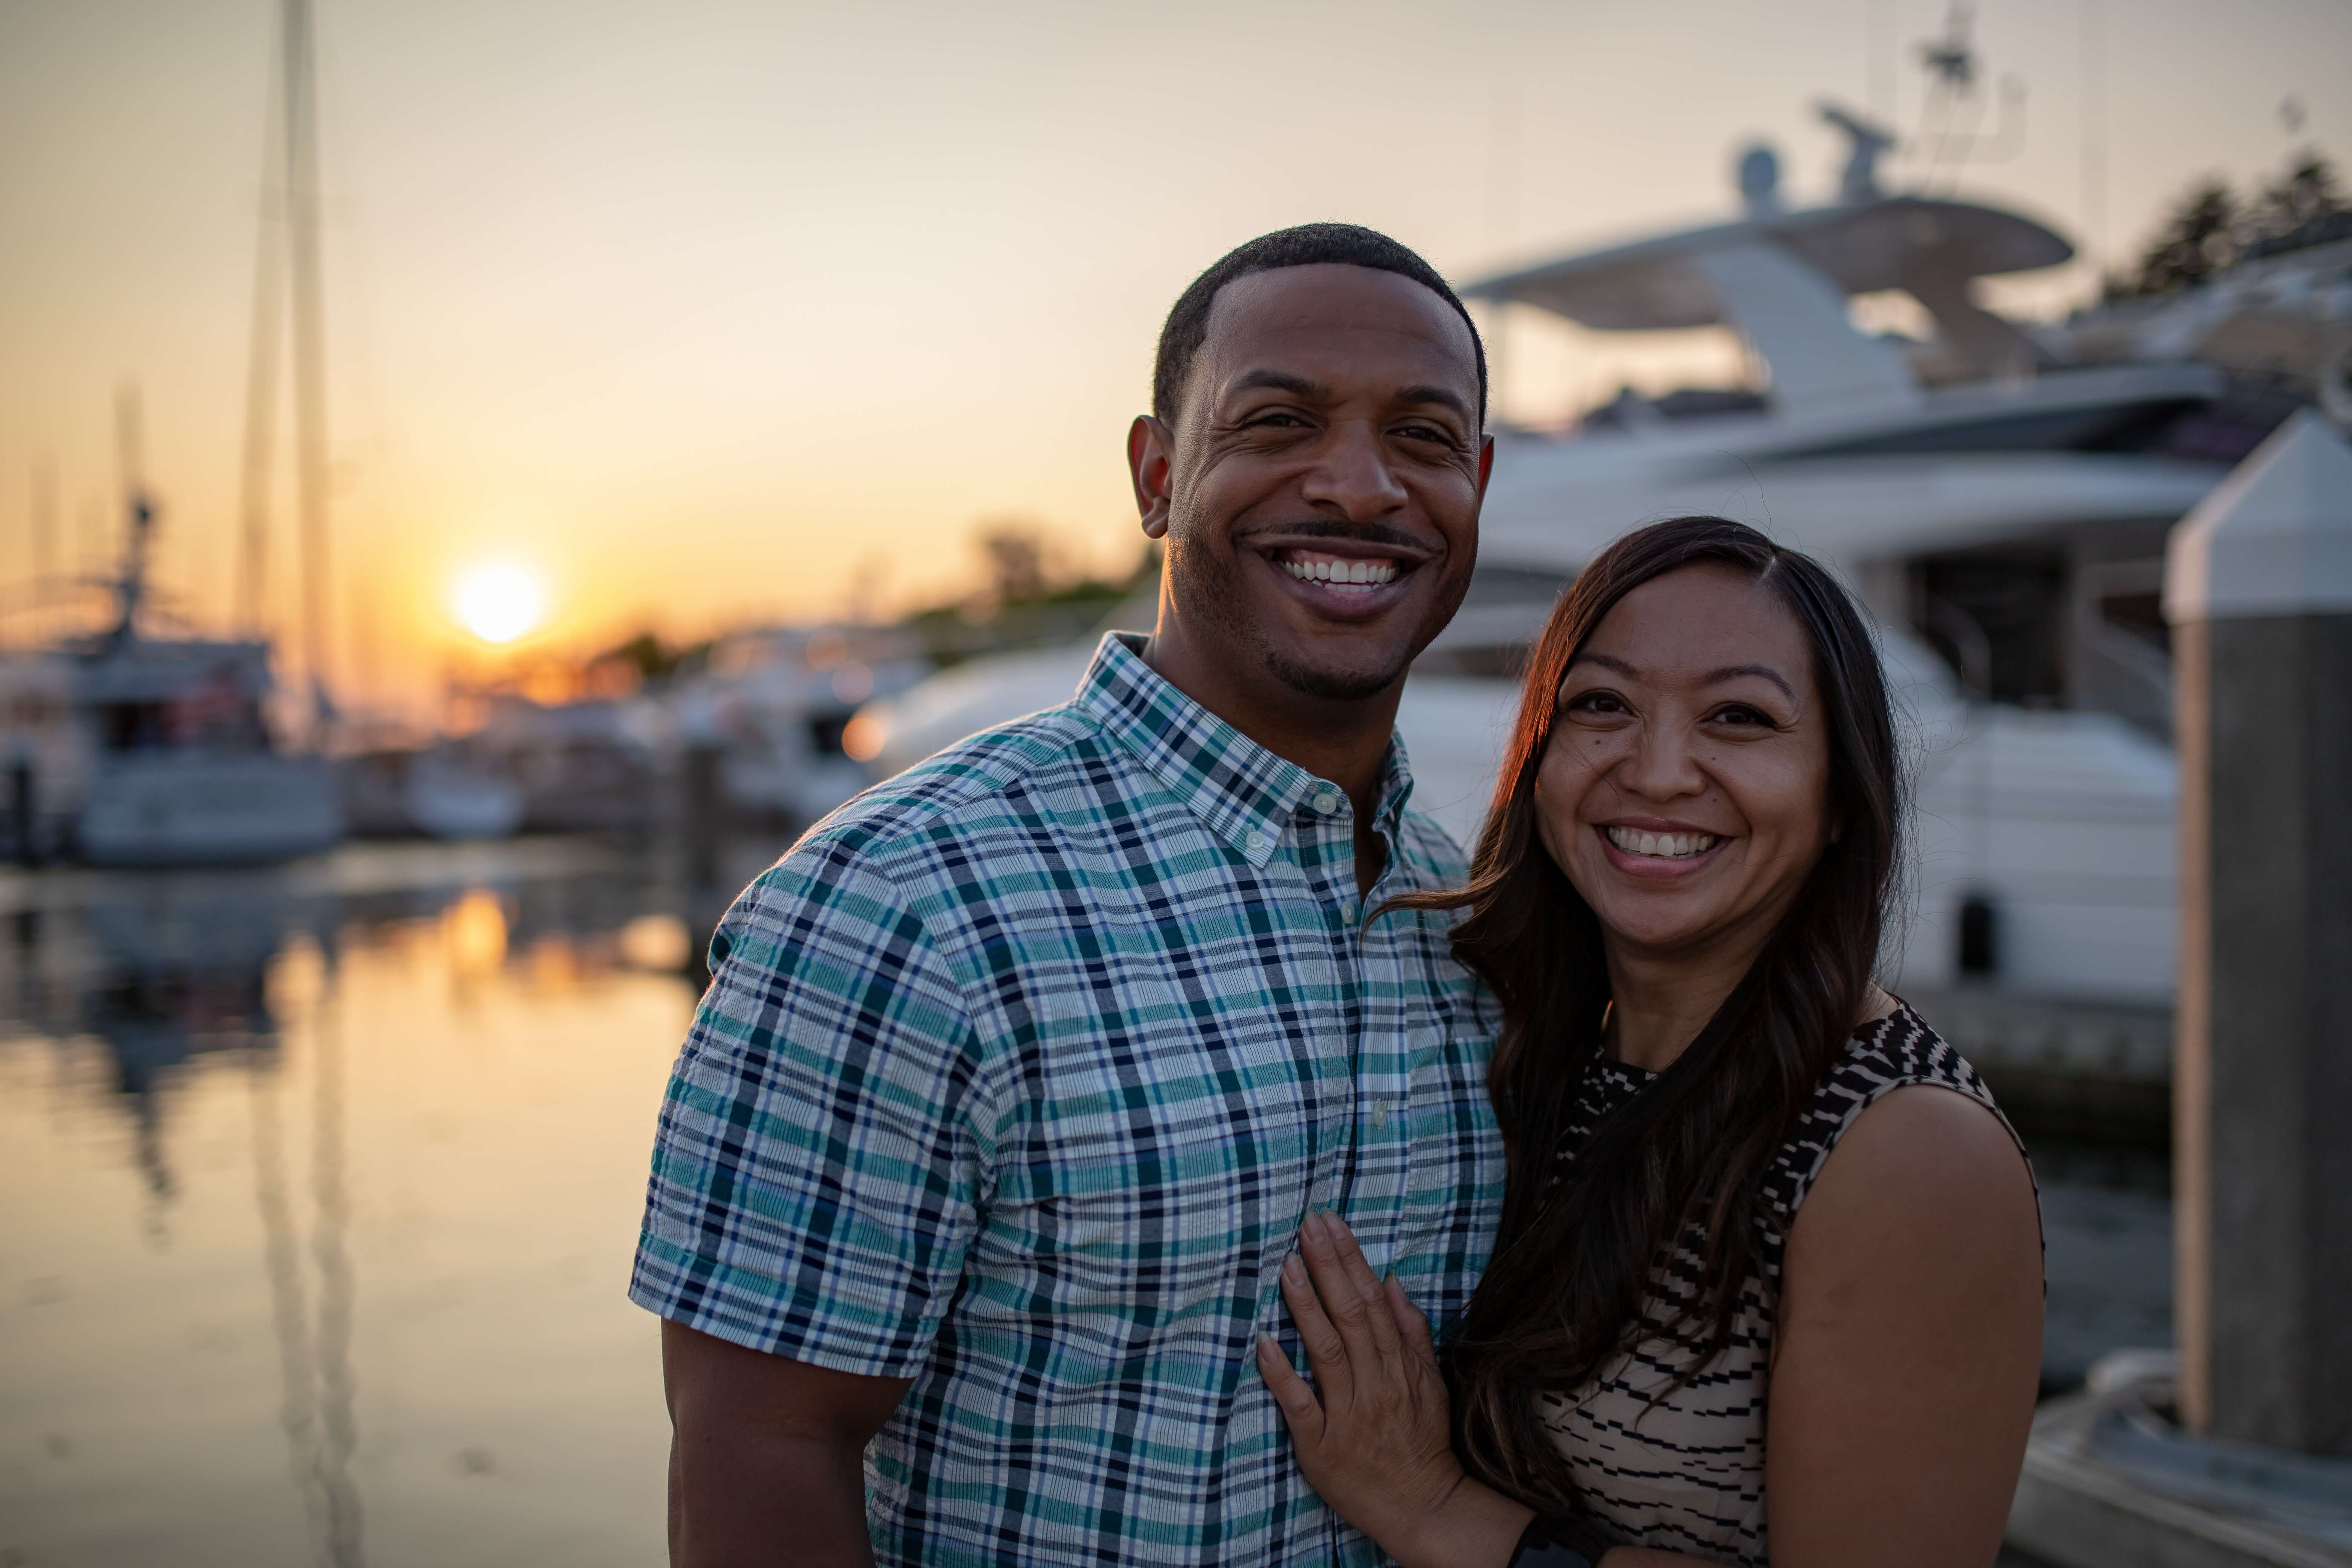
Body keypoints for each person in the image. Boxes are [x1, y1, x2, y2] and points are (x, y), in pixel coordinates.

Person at [631, 223, 1509, 1566]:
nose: (1360, 485)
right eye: (1279, 422)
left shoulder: (1453, 903)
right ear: (1159, 475)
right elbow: (764, 1450)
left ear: (1479, 486)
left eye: (1425, 438)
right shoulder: (901, 906)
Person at [1258, 517, 2045, 1568]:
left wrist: (1434, 1509)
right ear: (1539, 755)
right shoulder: (1547, 1059)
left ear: (1840, 798)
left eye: (1739, 717)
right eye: (1601, 706)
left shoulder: (1906, 1152)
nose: (1661, 770)